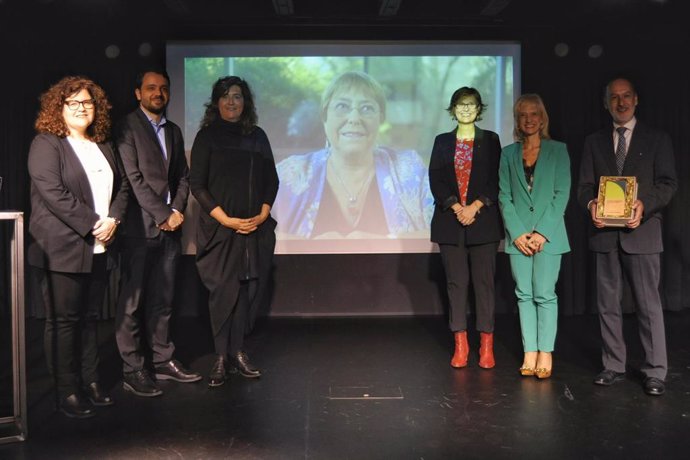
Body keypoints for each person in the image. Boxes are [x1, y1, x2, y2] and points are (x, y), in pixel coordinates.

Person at [27, 76, 130, 417]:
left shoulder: (102, 144)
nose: (82, 108)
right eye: (74, 103)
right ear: (59, 107)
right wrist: (93, 224)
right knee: (64, 322)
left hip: (100, 246)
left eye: (87, 103)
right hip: (61, 248)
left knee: (89, 319)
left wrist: (113, 219)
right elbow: (53, 193)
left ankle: (91, 381)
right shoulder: (47, 144)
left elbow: (124, 187)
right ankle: (66, 389)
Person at [577, 77, 677, 396]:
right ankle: (614, 365)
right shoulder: (593, 142)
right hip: (605, 234)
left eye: (626, 96)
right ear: (605, 103)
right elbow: (583, 189)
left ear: (636, 100)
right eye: (614, 98)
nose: (621, 102)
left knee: (648, 305)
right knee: (607, 304)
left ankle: (655, 370)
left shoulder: (657, 139)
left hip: (643, 233)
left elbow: (667, 184)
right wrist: (592, 203)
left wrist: (643, 204)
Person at [114, 69, 201, 397]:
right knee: (132, 303)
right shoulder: (126, 127)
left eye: (163, 88)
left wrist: (177, 212)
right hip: (139, 230)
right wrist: (164, 214)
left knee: (164, 301)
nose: (158, 93)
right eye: (151, 88)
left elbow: (183, 177)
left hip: (170, 230)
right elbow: (133, 178)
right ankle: (133, 368)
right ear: (138, 93)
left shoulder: (174, 131)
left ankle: (163, 361)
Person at [190, 76, 279, 387]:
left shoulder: (258, 136)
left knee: (247, 290)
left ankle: (239, 351)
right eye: (226, 96)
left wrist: (263, 213)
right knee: (223, 292)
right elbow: (197, 185)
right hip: (220, 230)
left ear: (246, 102)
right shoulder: (207, 137)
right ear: (216, 102)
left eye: (238, 96)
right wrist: (226, 220)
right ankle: (220, 357)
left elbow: (272, 180)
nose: (232, 102)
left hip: (254, 229)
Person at [273, 71, 432, 239]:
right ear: (324, 116)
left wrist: (384, 243)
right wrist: (310, 247)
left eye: (367, 108)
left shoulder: (410, 169)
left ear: (381, 118)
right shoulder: (289, 174)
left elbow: (446, 233)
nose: (354, 118)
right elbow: (253, 235)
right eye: (342, 106)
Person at [429, 87, 502, 369]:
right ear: (453, 109)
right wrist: (457, 207)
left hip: (483, 222)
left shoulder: (491, 140)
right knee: (456, 284)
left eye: (471, 104)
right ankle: (461, 345)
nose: (466, 109)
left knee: (484, 285)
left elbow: (497, 178)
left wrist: (476, 206)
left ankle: (486, 346)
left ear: (479, 109)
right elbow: (435, 178)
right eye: (461, 104)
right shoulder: (442, 141)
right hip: (451, 222)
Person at [498, 94, 570, 379]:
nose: (528, 119)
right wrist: (517, 233)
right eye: (522, 115)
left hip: (548, 237)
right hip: (518, 239)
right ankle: (529, 352)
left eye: (534, 114)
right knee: (524, 295)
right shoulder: (507, 154)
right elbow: (504, 196)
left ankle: (545, 352)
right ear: (517, 120)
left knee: (544, 294)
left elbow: (561, 193)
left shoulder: (558, 150)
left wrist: (541, 233)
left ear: (542, 118)